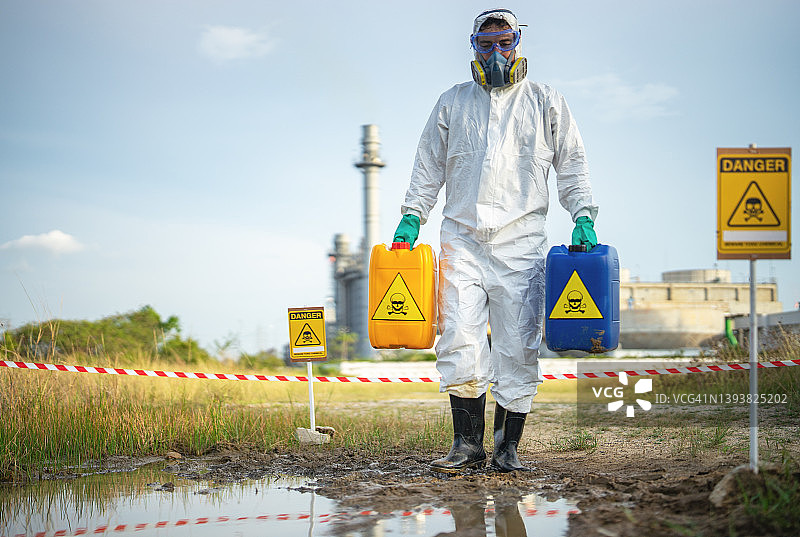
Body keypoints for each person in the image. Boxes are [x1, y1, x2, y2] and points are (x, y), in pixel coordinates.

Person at [393, 8, 598, 473]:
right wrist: (411, 217)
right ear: (473, 48)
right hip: (461, 240)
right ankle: (467, 446)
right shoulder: (452, 102)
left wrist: (582, 213)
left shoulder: (547, 101)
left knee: (517, 345)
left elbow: (573, 164)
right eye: (485, 45)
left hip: (521, 242)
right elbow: (427, 166)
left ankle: (508, 450)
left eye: (504, 42)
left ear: (518, 43)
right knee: (459, 339)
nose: (496, 53)